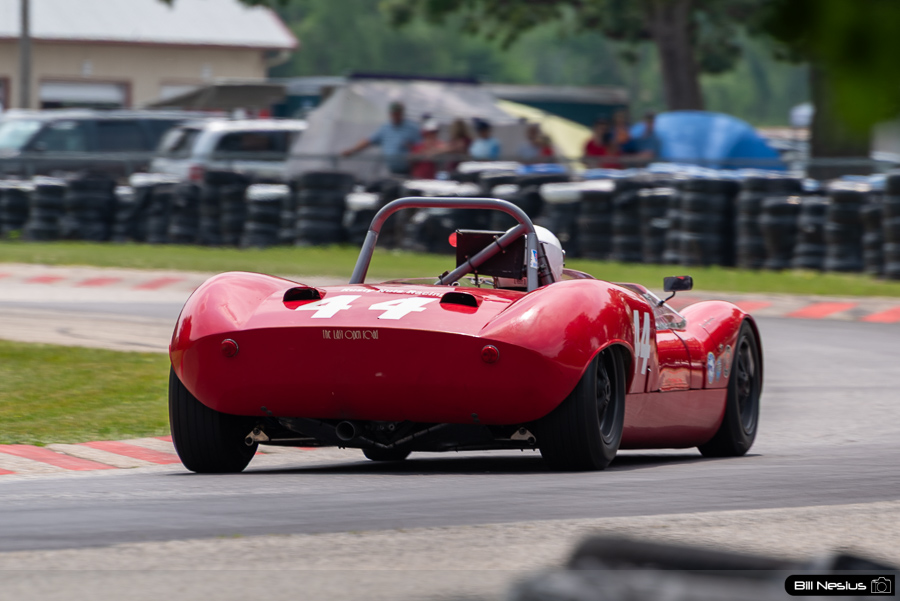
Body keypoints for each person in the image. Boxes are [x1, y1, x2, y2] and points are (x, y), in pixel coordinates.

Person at [341, 101, 421, 176]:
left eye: (397, 114)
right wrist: (352, 150)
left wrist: (413, 152)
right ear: (390, 114)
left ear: (402, 113)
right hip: (392, 171)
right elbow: (368, 141)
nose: (395, 116)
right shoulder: (385, 128)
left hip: (409, 172)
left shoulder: (412, 128)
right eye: (393, 114)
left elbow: (422, 146)